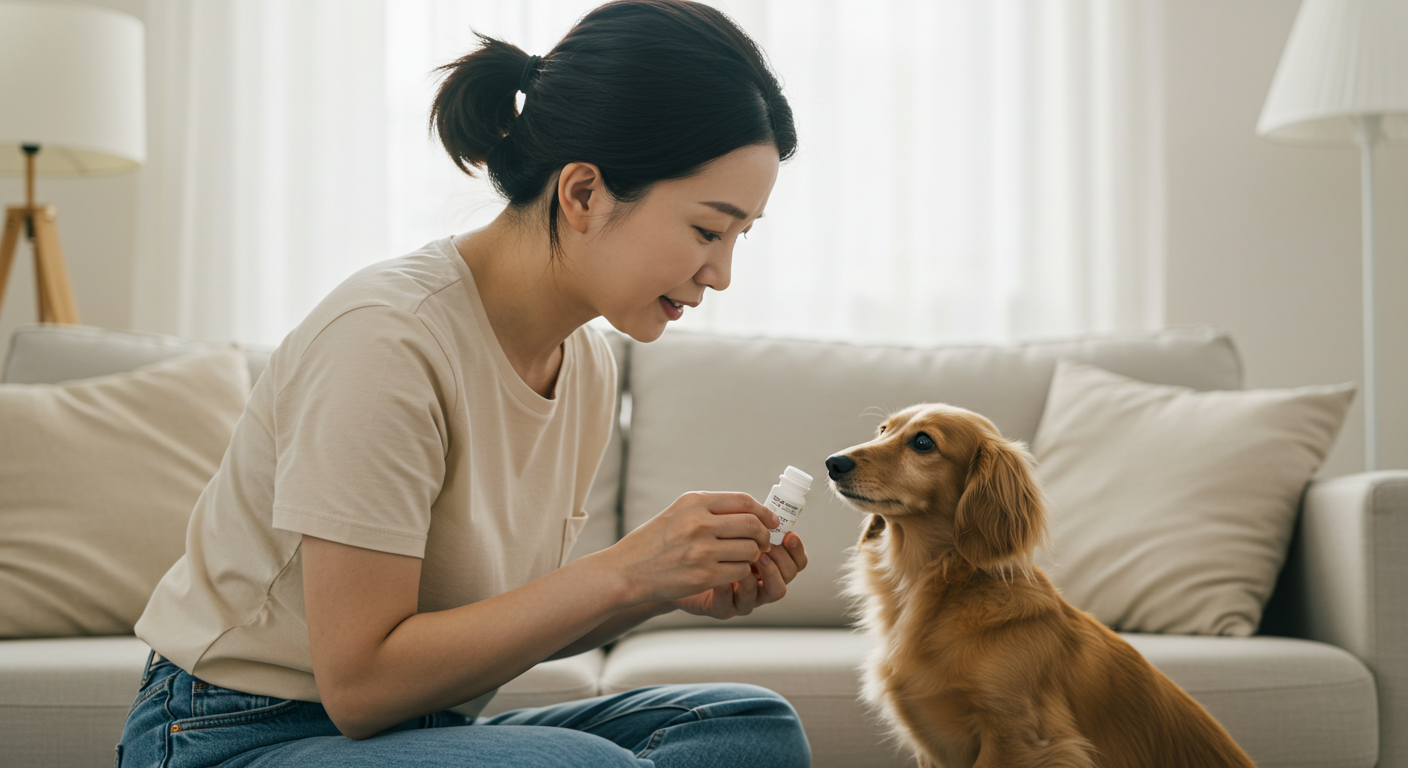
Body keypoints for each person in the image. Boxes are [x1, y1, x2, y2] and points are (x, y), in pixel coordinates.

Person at [116, 1, 808, 766]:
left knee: (747, 729)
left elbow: (482, 628)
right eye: (708, 230)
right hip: (231, 734)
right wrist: (623, 570)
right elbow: (361, 685)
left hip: (419, 731)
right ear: (582, 194)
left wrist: (659, 585)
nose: (721, 274)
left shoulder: (584, 365)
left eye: (740, 237)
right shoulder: (387, 339)